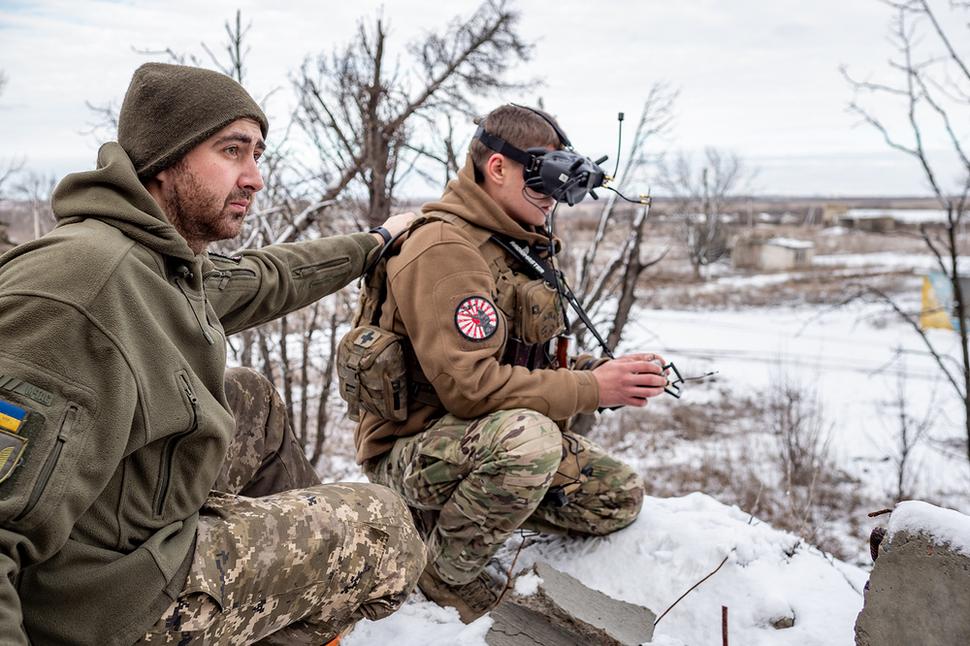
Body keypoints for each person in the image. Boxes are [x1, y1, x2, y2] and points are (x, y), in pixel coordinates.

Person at [0, 62, 425, 645]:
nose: (254, 178)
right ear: (164, 160)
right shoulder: (79, 291)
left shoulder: (154, 259)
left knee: (248, 396)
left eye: (258, 154)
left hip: (115, 530)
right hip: (103, 607)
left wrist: (374, 243)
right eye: (232, 151)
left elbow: (264, 276)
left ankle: (288, 612)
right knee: (384, 527)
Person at [349, 104, 668, 623]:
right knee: (530, 443)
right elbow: (471, 389)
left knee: (616, 496)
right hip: (414, 449)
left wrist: (609, 374)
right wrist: (591, 390)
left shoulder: (509, 245)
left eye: (556, 192)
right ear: (497, 168)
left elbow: (524, 360)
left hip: (482, 441)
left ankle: (478, 506)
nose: (549, 203)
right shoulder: (445, 249)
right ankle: (441, 572)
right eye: (539, 186)